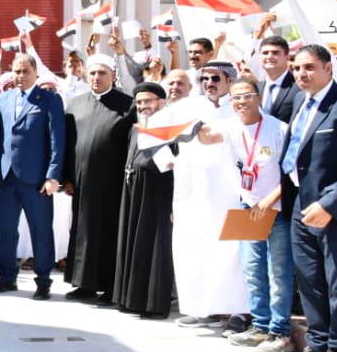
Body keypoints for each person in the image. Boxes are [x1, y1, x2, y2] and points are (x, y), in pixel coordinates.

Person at [197, 77, 294, 352]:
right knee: (252, 270)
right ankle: (260, 326)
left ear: (259, 98)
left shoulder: (278, 129)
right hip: (248, 208)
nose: (241, 102)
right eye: (236, 97)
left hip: (275, 210)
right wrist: (195, 131)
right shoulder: (231, 127)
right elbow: (208, 138)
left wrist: (269, 200)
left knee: (278, 273)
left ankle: (280, 331)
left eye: (247, 96)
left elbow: (291, 173)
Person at [280, 45, 337, 352]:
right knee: (309, 279)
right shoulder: (301, 100)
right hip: (300, 203)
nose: (301, 74)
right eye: (296, 68)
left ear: (328, 68)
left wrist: (330, 204)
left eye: (309, 67)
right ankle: (318, 343)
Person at [168, 60, 247, 328]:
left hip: (229, 194)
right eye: (205, 79)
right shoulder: (190, 108)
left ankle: (238, 312)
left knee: (231, 254)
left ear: (229, 82)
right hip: (194, 194)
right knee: (196, 250)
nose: (209, 84)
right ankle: (204, 309)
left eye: (215, 79)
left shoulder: (238, 110)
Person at [62, 55, 134, 305]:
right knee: (82, 232)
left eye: (102, 73)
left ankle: (111, 287)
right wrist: (66, 177)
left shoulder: (127, 105)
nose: (96, 78)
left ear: (112, 75)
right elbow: (67, 142)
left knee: (109, 232)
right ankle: (85, 285)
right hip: (81, 182)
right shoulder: (75, 104)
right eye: (92, 73)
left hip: (113, 183)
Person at [0, 53, 66, 300]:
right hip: (6, 176)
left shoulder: (49, 99)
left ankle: (43, 281)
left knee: (41, 230)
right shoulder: (3, 99)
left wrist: (53, 175)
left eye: (25, 71)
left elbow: (57, 140)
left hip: (36, 178)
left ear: (35, 73)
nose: (20, 76)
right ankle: (6, 278)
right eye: (16, 71)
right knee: (6, 230)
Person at [114, 82, 176, 318]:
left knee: (155, 247)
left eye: (148, 101)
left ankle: (153, 304)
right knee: (132, 245)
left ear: (161, 102)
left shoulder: (171, 129)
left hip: (158, 193)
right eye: (139, 102)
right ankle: (130, 299)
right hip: (133, 191)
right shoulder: (136, 128)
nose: (143, 106)